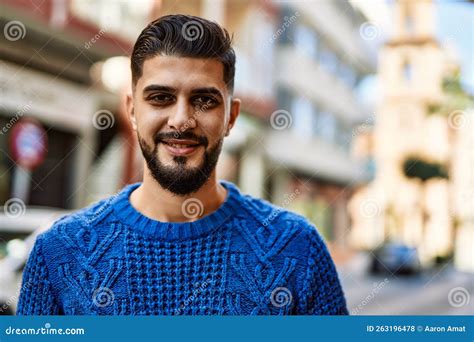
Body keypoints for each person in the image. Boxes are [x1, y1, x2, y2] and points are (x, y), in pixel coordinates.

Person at [17, 14, 348, 315]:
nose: (181, 120)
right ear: (131, 109)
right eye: (160, 98)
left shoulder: (297, 250)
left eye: (204, 101)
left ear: (231, 116)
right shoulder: (57, 253)